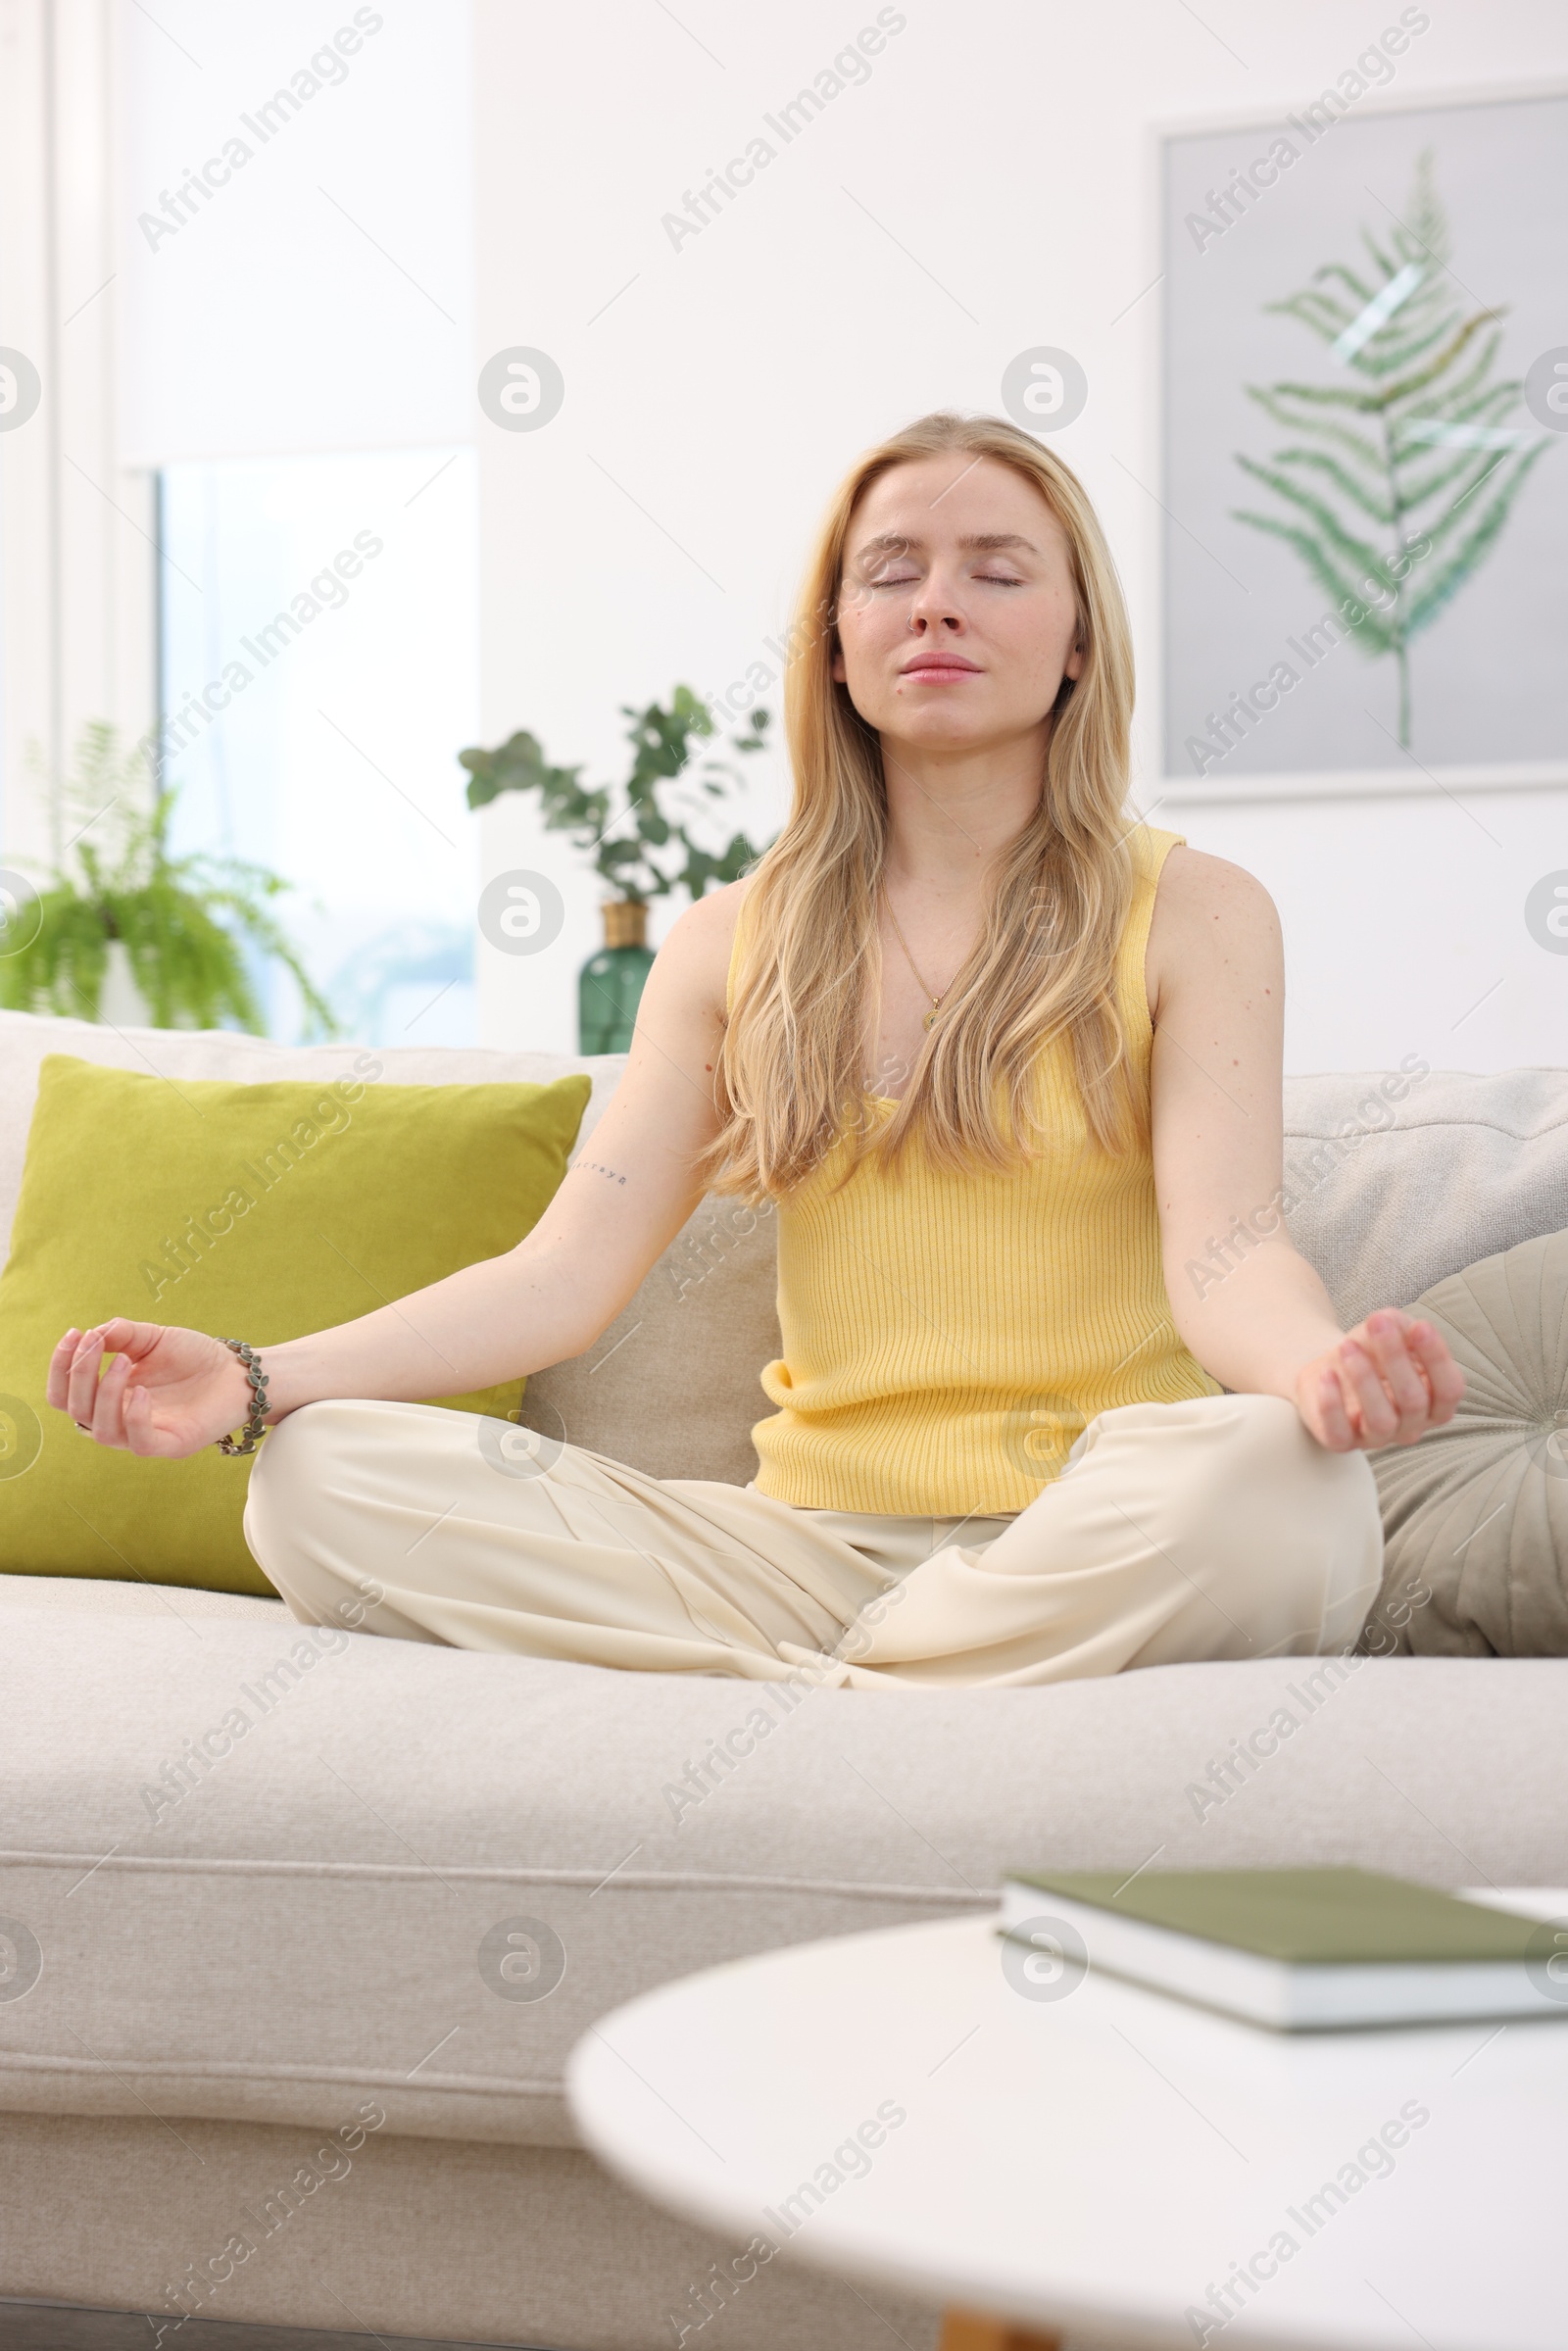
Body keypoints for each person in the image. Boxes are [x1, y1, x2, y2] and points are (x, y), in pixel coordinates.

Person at [46, 411, 1463, 1689]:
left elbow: (1228, 1253)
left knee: (1289, 1490)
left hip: (1089, 1520)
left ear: (1081, 637)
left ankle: (836, 1688)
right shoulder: (731, 940)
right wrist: (253, 1376)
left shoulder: (1197, 911)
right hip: (795, 1551)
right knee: (317, 1479)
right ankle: (924, 1676)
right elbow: (561, 1278)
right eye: (890, 569)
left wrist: (1316, 1369)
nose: (938, 604)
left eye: (998, 569)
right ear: (836, 639)